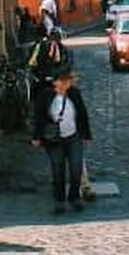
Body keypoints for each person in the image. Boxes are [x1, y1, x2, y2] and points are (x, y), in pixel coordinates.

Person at [31, 65, 92, 214]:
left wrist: (87, 135)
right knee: (58, 171)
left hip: (73, 136)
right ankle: (59, 201)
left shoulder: (74, 94)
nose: (66, 84)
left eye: (68, 81)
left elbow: (82, 114)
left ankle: (74, 197)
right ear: (55, 82)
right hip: (54, 140)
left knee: (76, 168)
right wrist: (37, 137)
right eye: (63, 81)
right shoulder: (46, 96)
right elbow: (39, 117)